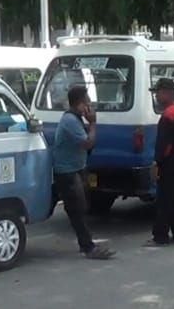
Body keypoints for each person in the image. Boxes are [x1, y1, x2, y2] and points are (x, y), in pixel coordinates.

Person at [52, 86, 115, 260]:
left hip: (76, 169)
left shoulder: (76, 119)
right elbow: (88, 143)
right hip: (67, 171)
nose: (90, 106)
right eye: (87, 103)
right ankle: (88, 247)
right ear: (79, 104)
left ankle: (86, 244)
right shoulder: (70, 121)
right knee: (77, 209)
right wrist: (93, 123)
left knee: (80, 207)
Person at [145, 78, 174, 247]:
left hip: (169, 163)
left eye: (158, 92)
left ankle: (160, 236)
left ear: (168, 93)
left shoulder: (168, 115)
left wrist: (157, 162)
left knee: (165, 200)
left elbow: (164, 143)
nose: (156, 96)